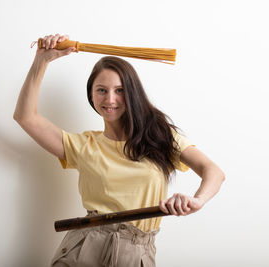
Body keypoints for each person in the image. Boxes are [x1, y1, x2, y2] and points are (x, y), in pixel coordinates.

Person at [14, 34, 225, 267]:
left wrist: (197, 200)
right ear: (91, 95)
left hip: (137, 253)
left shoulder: (161, 137)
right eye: (101, 90)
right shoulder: (83, 145)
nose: (110, 99)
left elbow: (213, 171)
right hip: (84, 248)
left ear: (132, 92)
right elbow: (26, 117)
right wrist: (41, 61)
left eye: (120, 90)